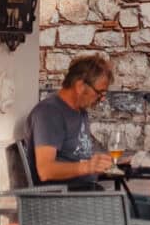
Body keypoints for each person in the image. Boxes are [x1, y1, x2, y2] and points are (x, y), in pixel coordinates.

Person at [26, 55, 115, 184]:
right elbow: (45, 170)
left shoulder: (80, 110)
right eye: (99, 92)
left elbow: (82, 152)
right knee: (142, 203)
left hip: (86, 193)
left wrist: (113, 161)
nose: (102, 99)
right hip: (65, 199)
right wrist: (88, 167)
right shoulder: (49, 113)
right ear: (80, 86)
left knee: (147, 202)